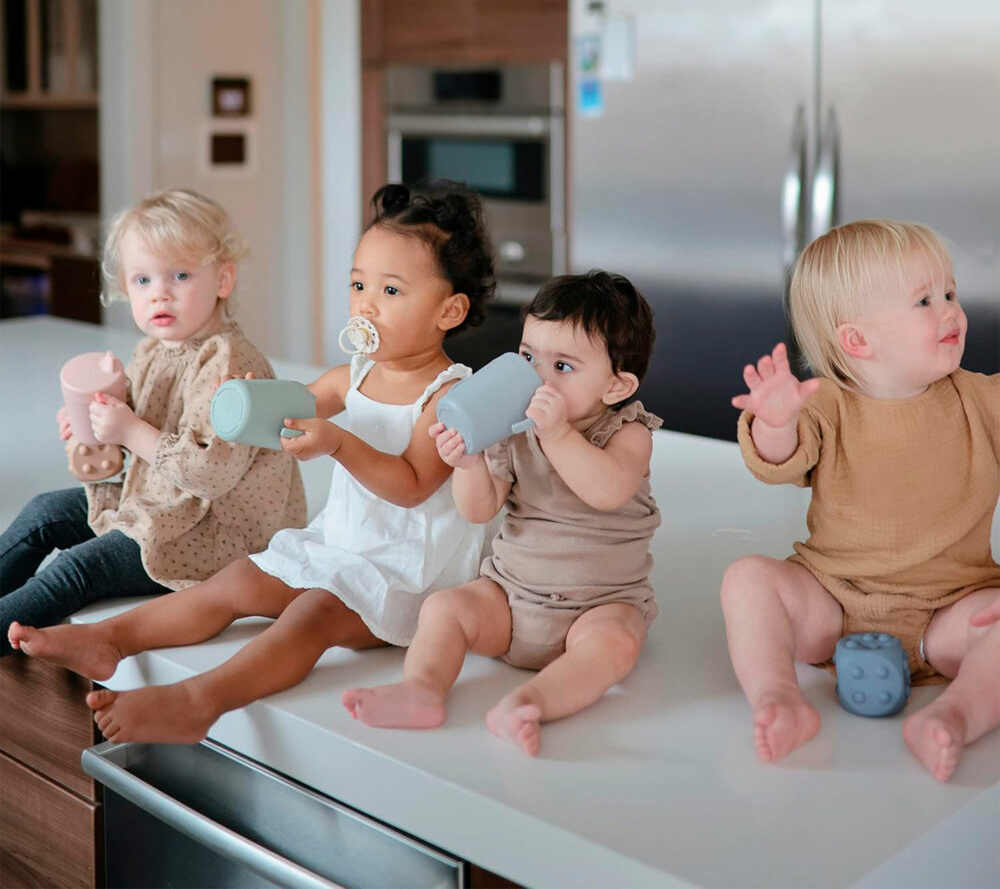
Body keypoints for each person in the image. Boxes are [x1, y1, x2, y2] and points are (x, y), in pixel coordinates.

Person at [12, 181, 498, 746]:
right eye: (358, 284)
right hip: (342, 543)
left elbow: (413, 486)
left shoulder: (447, 396)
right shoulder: (356, 374)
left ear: (450, 310)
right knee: (236, 581)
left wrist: (339, 444)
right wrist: (250, 400)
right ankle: (112, 638)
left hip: (404, 572)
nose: (365, 303)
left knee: (311, 615)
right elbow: (297, 404)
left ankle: (202, 700)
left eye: (390, 290)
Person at [723, 219, 999, 780]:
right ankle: (779, 696)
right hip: (831, 601)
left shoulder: (982, 399)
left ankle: (953, 715)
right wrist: (777, 420)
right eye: (924, 300)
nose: (951, 311)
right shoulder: (826, 405)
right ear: (857, 341)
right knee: (747, 579)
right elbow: (779, 460)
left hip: (952, 612)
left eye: (950, 293)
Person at [343, 271, 662, 756]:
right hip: (511, 602)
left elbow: (607, 490)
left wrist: (557, 436)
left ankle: (530, 703)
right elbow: (479, 509)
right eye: (529, 357)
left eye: (564, 367)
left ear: (617, 386)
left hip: (598, 607)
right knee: (445, 607)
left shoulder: (626, 433)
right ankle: (422, 690)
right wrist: (468, 464)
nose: (538, 378)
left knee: (617, 643)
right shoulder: (512, 428)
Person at [3, 189, 306, 656]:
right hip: (158, 505)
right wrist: (94, 434)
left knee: (77, 570)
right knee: (45, 513)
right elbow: (120, 467)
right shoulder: (151, 352)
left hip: (213, 536)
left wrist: (128, 429)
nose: (159, 293)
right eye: (142, 280)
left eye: (180, 275)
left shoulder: (230, 362)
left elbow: (209, 473)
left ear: (223, 279)